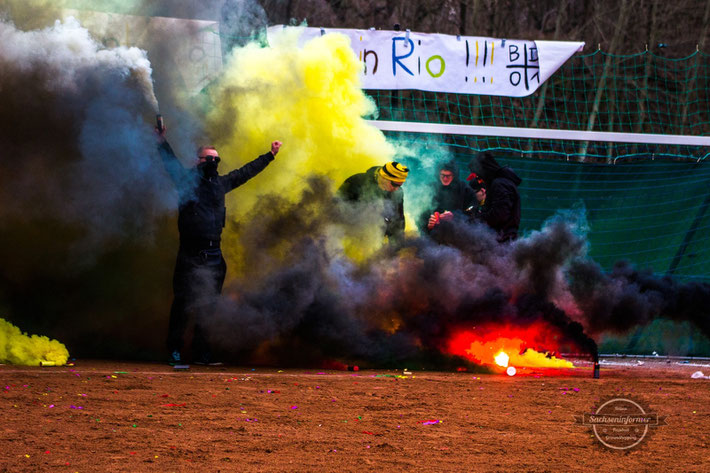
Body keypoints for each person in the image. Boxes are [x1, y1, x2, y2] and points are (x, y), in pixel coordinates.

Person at [155, 121, 282, 365]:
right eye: (208, 159)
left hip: (214, 258)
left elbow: (246, 172)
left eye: (216, 159)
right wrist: (161, 141)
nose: (213, 163)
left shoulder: (222, 184)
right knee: (182, 305)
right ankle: (174, 351)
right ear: (197, 161)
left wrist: (270, 155)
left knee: (208, 307)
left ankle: (202, 353)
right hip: (190, 257)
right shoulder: (186, 181)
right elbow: (169, 162)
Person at [337, 161, 409, 246]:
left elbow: (398, 221)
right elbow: (335, 209)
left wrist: (397, 248)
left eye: (400, 185)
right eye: (394, 184)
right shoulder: (355, 182)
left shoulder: (397, 193)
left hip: (375, 241)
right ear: (384, 177)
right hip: (350, 238)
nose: (396, 189)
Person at [467, 151, 521, 242]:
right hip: (502, 239)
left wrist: (477, 217)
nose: (479, 181)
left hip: (502, 242)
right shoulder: (500, 183)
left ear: (483, 171)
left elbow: (500, 215)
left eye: (478, 176)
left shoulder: (500, 184)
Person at [420, 158, 476, 234]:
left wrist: (455, 217)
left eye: (448, 176)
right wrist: (429, 225)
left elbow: (472, 213)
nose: (445, 179)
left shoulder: (465, 189)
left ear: (454, 175)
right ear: (438, 174)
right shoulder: (430, 189)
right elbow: (421, 216)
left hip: (459, 235)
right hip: (434, 237)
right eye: (442, 175)